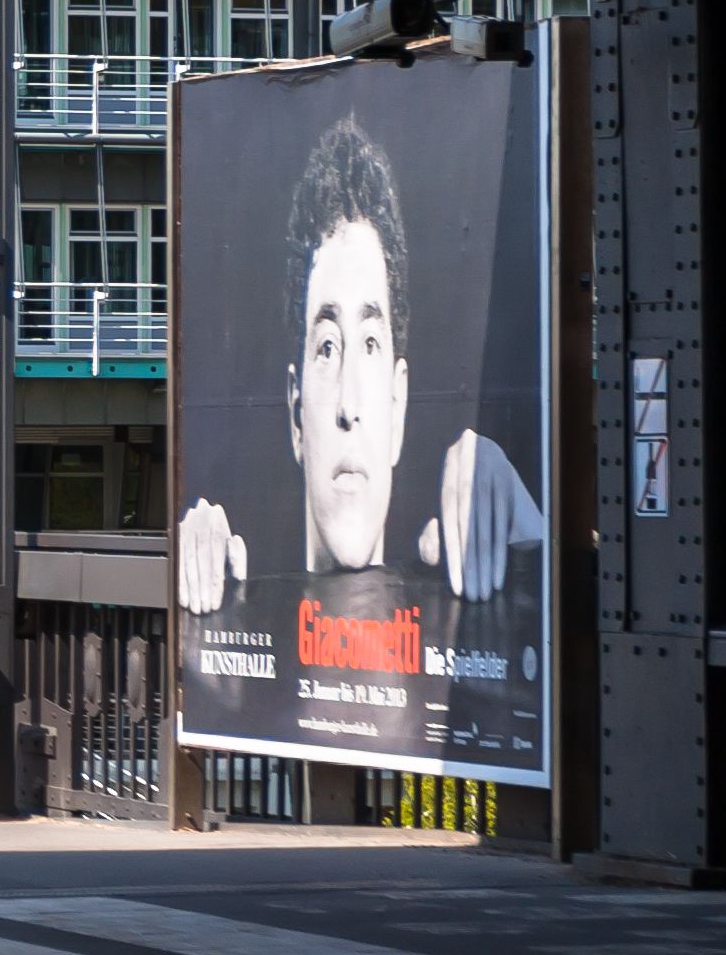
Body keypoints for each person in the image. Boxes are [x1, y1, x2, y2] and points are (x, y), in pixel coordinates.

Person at [177, 115, 543, 614]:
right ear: (295, 414)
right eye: (327, 347)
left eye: (370, 343)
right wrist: (196, 572)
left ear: (398, 404)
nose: (349, 405)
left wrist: (527, 530)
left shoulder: (457, 642)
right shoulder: (240, 635)